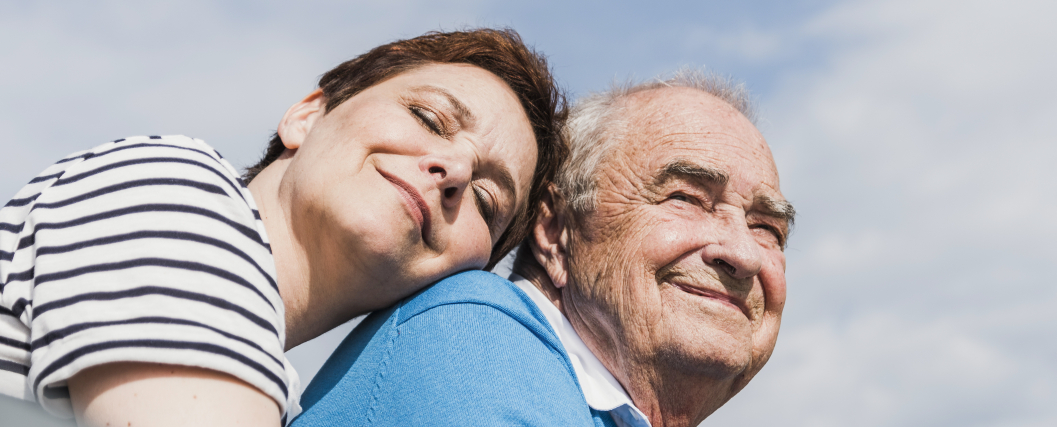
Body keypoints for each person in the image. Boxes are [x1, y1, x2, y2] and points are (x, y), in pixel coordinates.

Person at [0, 28, 567, 426]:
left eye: (487, 201)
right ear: (308, 115)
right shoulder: (174, 188)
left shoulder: (275, 396)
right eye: (429, 117)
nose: (456, 171)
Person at [293, 69, 793, 427]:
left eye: (768, 228)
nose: (743, 254)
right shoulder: (475, 339)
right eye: (685, 198)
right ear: (554, 229)